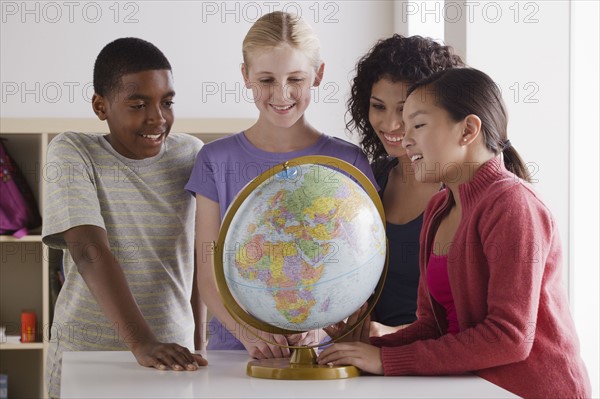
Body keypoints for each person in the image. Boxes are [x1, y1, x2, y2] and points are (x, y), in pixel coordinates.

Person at [318, 68, 591, 398]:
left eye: (417, 125)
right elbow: (435, 326)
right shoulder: (438, 209)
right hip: (475, 388)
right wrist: (372, 341)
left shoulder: (513, 206)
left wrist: (388, 359)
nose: (404, 138)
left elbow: (509, 337)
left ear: (468, 130)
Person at [185, 11, 378, 359]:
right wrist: (247, 333)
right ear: (245, 76)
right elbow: (207, 270)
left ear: (318, 75)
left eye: (296, 78)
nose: (282, 93)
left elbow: (366, 265)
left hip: (325, 358)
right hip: (236, 357)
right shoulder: (215, 160)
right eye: (267, 79)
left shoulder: (349, 161)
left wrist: (321, 327)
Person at [42, 37, 207, 398]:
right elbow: (88, 251)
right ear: (101, 106)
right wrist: (142, 343)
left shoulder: (191, 154)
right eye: (138, 104)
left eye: (167, 102)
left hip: (173, 357)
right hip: (89, 357)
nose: (158, 118)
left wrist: (198, 339)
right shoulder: (72, 152)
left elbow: (198, 255)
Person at [346, 35, 464, 336]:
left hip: (437, 363)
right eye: (378, 106)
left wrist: (392, 334)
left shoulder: (461, 190)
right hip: (375, 364)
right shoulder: (371, 178)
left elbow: (477, 322)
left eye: (404, 109)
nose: (391, 124)